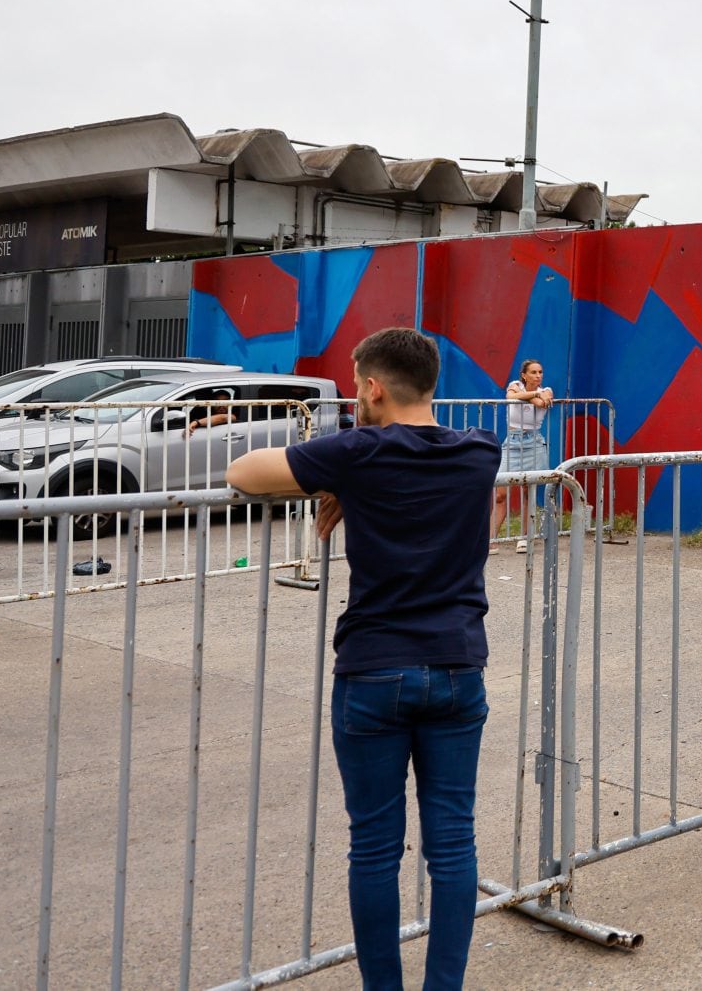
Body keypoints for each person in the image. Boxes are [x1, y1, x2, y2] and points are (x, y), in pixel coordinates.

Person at [227, 327, 500, 991]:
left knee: (375, 847)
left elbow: (244, 472)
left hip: (374, 670)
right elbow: (475, 508)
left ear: (374, 388)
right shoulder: (479, 453)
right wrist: (356, 487)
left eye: (356, 387)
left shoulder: (357, 453)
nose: (354, 398)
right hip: (458, 666)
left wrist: (346, 483)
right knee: (454, 843)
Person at [490, 360, 553, 550]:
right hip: (512, 442)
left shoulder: (547, 390)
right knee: (500, 493)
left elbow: (542, 403)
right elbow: (511, 396)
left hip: (533, 442)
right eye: (533, 372)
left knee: (528, 491)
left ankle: (524, 538)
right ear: (524, 375)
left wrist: (527, 396)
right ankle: (490, 540)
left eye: (540, 372)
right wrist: (534, 394)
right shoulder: (515, 385)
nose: (538, 375)